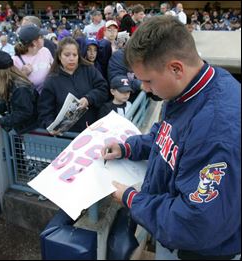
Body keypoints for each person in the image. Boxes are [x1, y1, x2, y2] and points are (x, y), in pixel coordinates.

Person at [102, 16, 241, 260]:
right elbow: (167, 135)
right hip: (175, 233)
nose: (144, 89)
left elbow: (197, 222)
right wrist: (128, 148)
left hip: (201, 250)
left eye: (148, 80)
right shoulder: (192, 86)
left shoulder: (216, 129)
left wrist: (133, 200)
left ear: (176, 68)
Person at [38, 37, 109, 134]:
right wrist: (51, 126)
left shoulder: (89, 69)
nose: (71, 58)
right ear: (59, 56)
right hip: (68, 136)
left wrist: (89, 99)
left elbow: (103, 89)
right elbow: (45, 111)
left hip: (93, 130)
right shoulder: (51, 80)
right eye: (67, 55)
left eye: (74, 55)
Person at [0, 51, 39, 134]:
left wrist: (2, 121)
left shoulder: (21, 89)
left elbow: (24, 113)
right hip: (25, 129)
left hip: (31, 131)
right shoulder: (11, 82)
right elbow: (10, 101)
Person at [13, 24, 53, 95]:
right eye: (41, 37)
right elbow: (11, 86)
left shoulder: (45, 51)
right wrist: (23, 74)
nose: (44, 38)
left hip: (48, 97)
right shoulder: (16, 60)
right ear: (34, 42)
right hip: (32, 102)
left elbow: (54, 69)